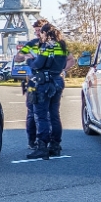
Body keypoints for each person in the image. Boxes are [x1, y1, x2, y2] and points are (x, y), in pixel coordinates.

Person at [25, 22, 68, 160]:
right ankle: (55, 146)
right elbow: (64, 64)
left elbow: (38, 64)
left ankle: (42, 147)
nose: (40, 36)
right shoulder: (62, 45)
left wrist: (29, 60)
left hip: (44, 84)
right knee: (54, 115)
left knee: (41, 116)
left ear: (45, 33)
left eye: (41, 33)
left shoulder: (46, 46)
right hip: (57, 81)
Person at [14, 18, 49, 150]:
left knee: (49, 113)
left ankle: (48, 141)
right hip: (33, 82)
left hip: (48, 81)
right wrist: (26, 55)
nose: (38, 33)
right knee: (32, 112)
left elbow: (67, 59)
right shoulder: (32, 44)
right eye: (36, 31)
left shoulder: (52, 44)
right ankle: (32, 141)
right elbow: (17, 58)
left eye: (40, 30)